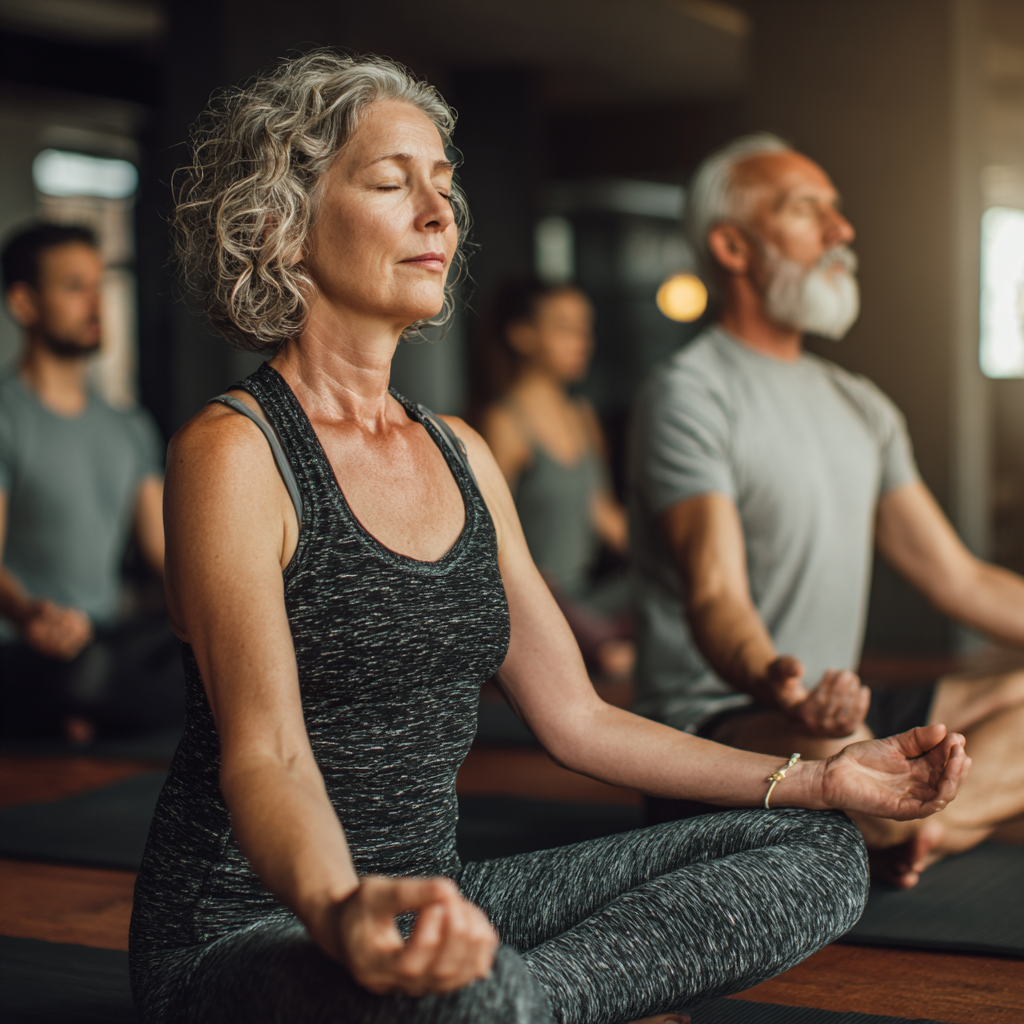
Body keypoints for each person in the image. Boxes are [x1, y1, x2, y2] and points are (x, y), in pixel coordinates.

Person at [130, 54, 968, 1024]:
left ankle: (521, 1005)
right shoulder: (235, 454)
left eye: (443, 186)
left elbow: (577, 719)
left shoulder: (465, 457)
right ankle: (496, 1001)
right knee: (460, 982)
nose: (438, 214)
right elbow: (266, 753)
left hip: (439, 910)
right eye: (391, 183)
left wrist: (821, 778)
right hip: (251, 930)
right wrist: (339, 907)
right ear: (284, 224)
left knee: (818, 848)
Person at [628, 133, 1024, 889]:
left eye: (837, 213)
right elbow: (715, 595)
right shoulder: (690, 392)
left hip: (840, 711)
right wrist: (779, 683)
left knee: (862, 746)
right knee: (848, 745)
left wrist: (828, 711)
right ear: (733, 246)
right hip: (723, 725)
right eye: (809, 211)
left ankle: (921, 828)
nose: (842, 232)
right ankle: (905, 817)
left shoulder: (859, 404)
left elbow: (960, 580)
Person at [0, 222, 183, 743]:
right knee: (79, 671)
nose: (96, 303)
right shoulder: (7, 417)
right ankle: (84, 707)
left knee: (206, 657)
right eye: (75, 287)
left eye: (99, 285)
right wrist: (30, 613)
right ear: (24, 303)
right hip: (24, 643)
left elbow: (164, 553)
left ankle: (86, 711)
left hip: (104, 639)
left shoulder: (128, 426)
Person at [478, 277, 633, 676]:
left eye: (586, 329)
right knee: (616, 657)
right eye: (565, 328)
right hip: (537, 597)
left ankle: (605, 640)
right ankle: (602, 646)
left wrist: (671, 562)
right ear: (522, 335)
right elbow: (487, 538)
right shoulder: (505, 423)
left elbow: (602, 514)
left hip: (589, 596)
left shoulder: (582, 417)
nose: (582, 341)